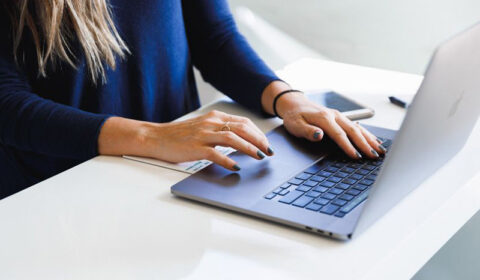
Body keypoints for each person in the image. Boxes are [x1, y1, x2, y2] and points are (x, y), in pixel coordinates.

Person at [0, 0, 385, 200]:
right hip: (57, 192)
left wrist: (286, 98)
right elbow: (7, 105)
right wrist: (152, 137)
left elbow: (213, 36)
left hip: (171, 175)